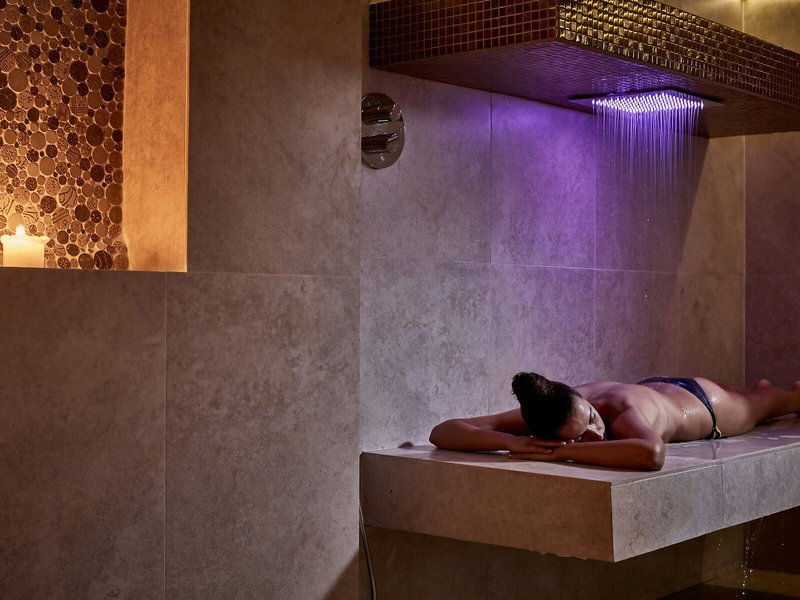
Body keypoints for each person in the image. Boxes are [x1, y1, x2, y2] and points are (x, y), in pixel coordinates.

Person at [429, 373, 800, 471]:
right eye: (580, 437)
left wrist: (561, 454)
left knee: (780, 402)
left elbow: (652, 454)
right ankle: (761, 390)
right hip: (661, 392)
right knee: (761, 395)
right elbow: (443, 431)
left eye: (591, 417)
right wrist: (514, 442)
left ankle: (770, 393)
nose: (597, 433)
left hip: (705, 405)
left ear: (584, 401)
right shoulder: (547, 411)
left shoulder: (620, 417)